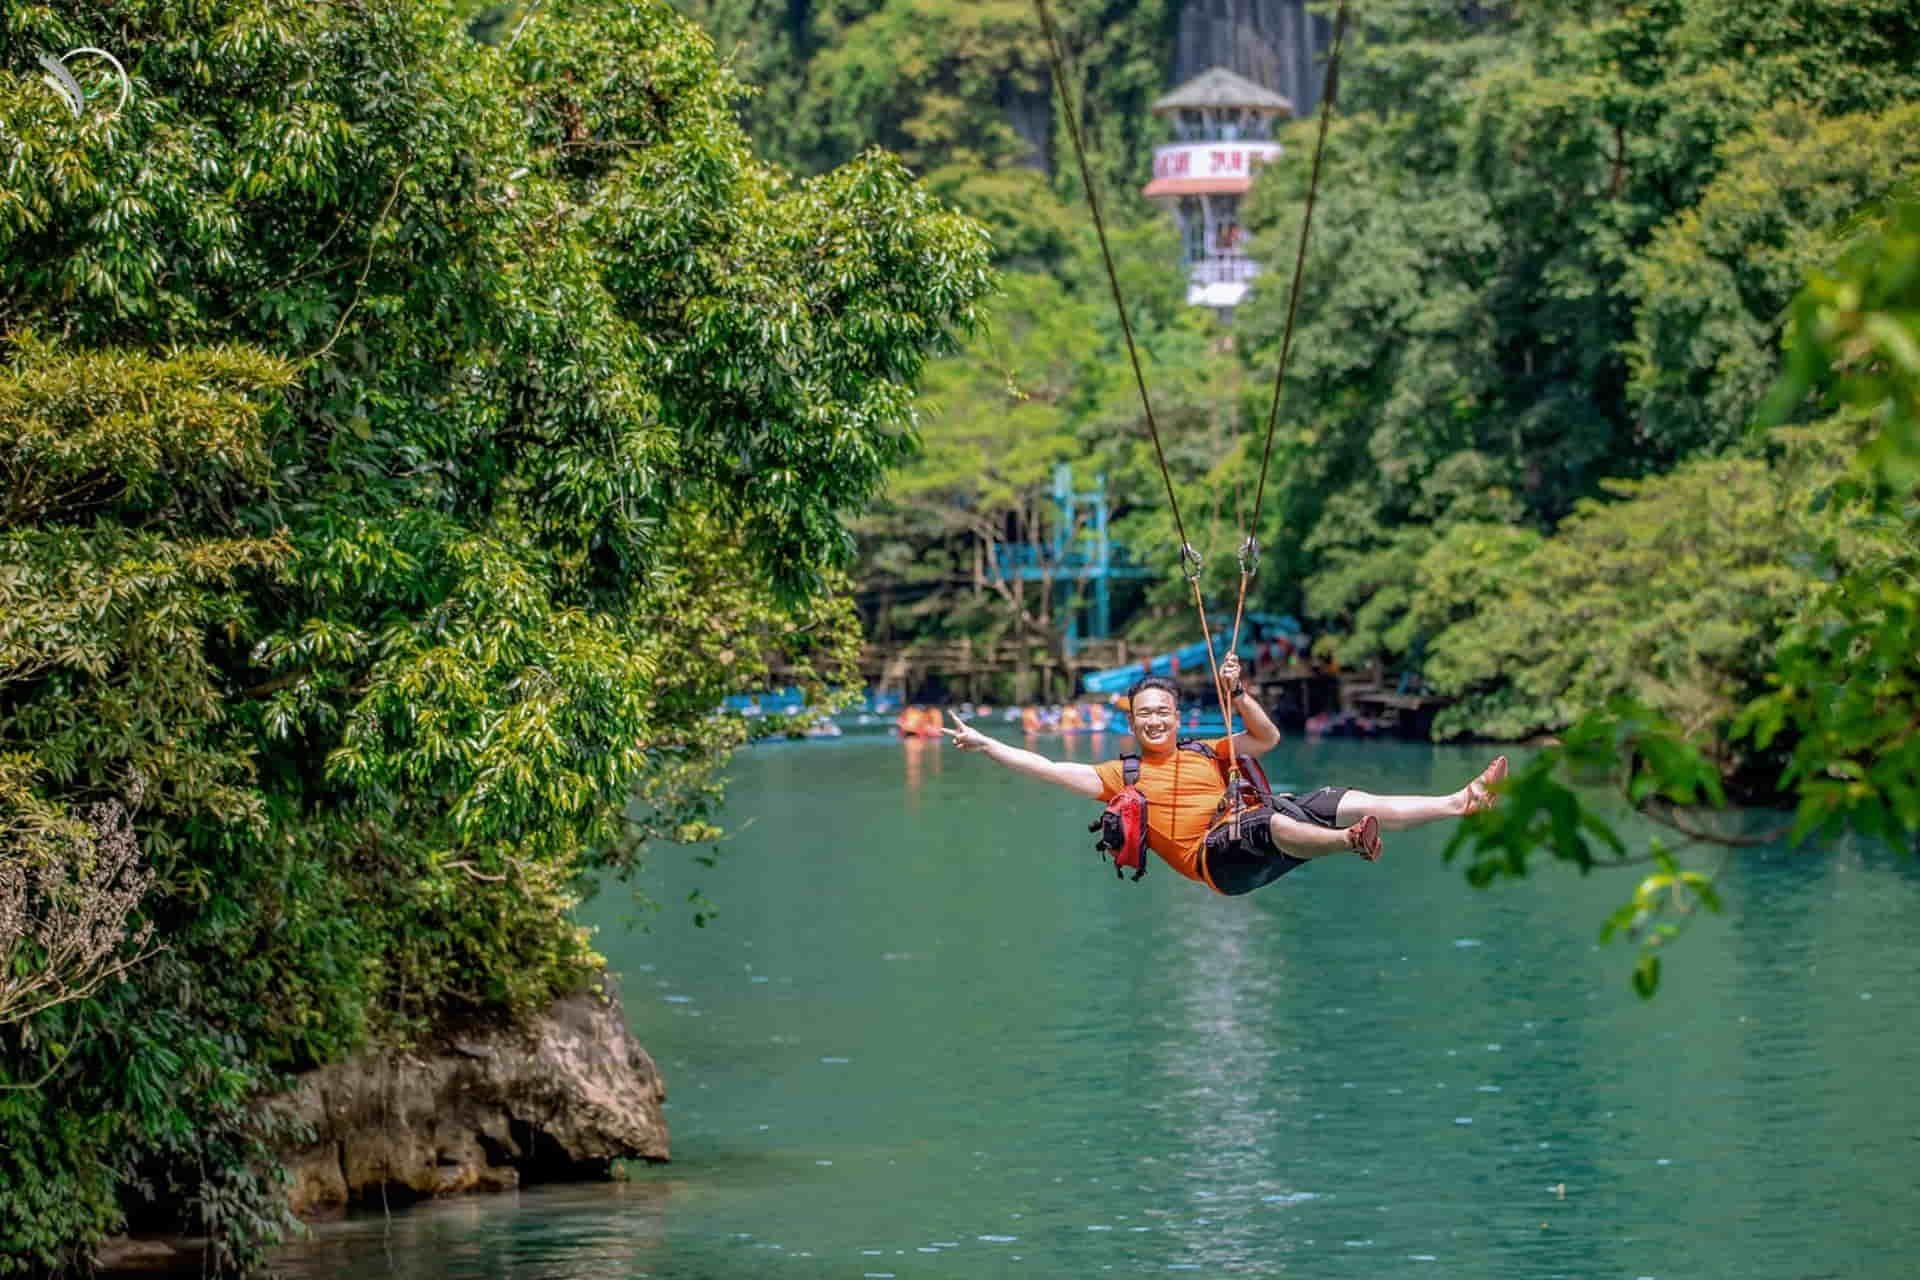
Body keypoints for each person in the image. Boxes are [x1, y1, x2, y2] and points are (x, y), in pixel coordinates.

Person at [941, 654, 1508, 897]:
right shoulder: (1123, 774)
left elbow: (1266, 740)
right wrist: (988, 743)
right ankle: (1348, 843)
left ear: (1177, 716)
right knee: (1264, 823)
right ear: (1134, 722)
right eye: (1145, 715)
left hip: (1257, 835)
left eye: (1163, 711)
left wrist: (1238, 694)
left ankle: (1459, 802)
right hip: (1219, 866)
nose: (1155, 720)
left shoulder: (1207, 750)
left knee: (1331, 797)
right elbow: (1044, 765)